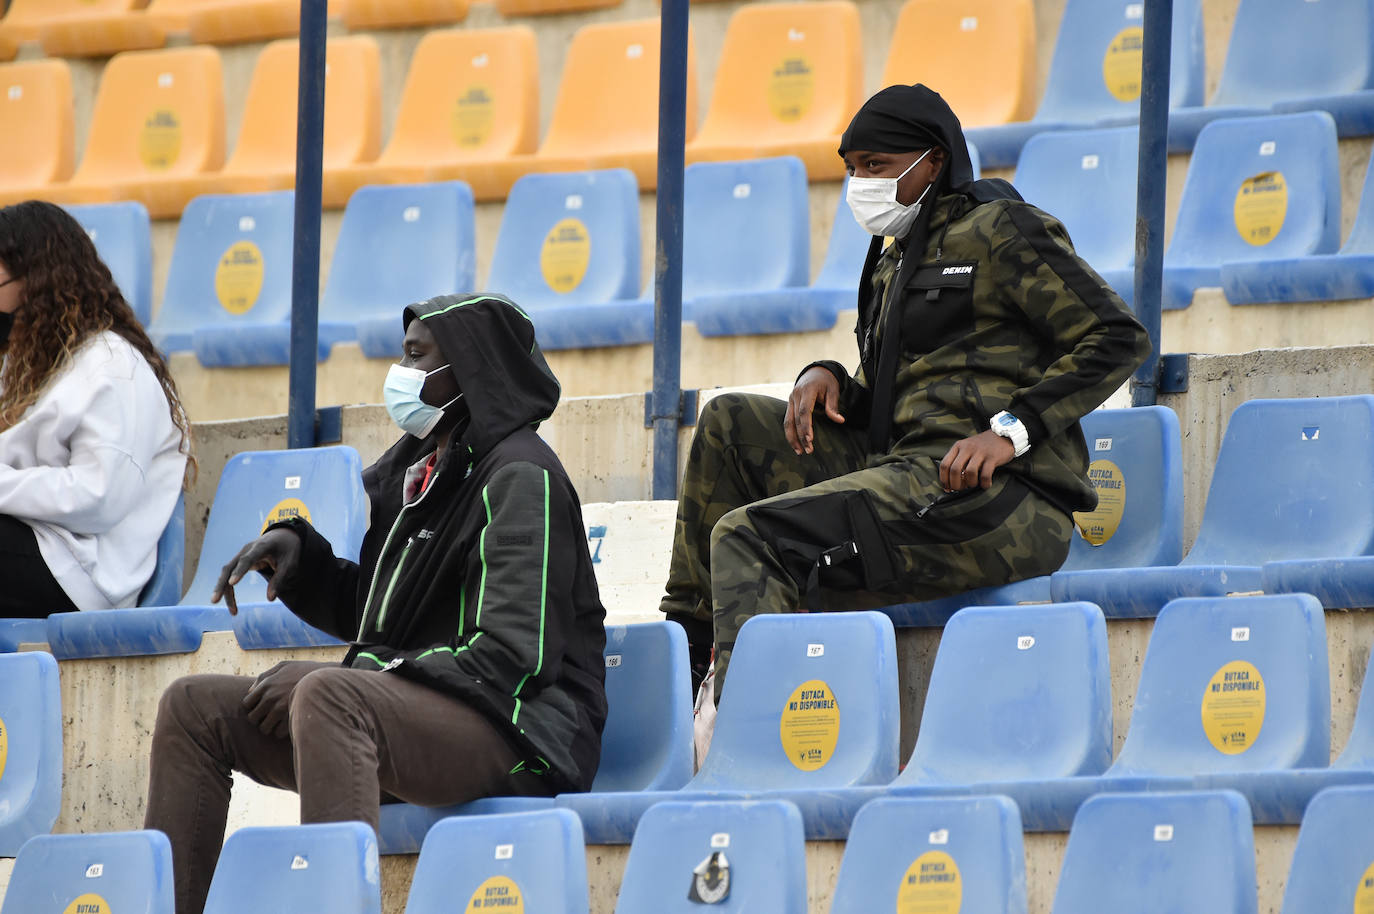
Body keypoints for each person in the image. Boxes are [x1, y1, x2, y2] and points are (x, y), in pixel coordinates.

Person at [659, 85, 1151, 696]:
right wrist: (832, 379)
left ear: (934, 159)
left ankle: (748, 731)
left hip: (993, 500)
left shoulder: (1001, 229)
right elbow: (894, 389)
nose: (859, 184)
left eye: (876, 167)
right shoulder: (895, 259)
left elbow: (1116, 336)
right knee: (728, 422)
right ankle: (690, 663)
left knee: (748, 535)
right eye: (852, 169)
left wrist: (1011, 432)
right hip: (904, 471)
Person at [144, 294, 608, 914]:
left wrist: (356, 676)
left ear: (468, 366)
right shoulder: (421, 471)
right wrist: (300, 558)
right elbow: (380, 617)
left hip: (521, 733)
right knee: (192, 708)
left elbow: (511, 657)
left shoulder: (522, 476)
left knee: (330, 696)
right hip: (413, 721)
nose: (401, 371)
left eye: (416, 355)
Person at [0, 200, 190, 617]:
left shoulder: (112, 366)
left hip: (80, 573)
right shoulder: (27, 362)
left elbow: (97, 498)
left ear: (36, 279)